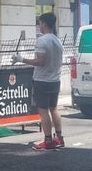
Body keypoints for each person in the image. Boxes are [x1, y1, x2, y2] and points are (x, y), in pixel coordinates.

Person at [11, 12, 64, 150]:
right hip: (55, 79)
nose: (39, 26)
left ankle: (48, 140)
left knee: (43, 111)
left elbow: (40, 61)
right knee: (54, 109)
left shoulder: (42, 40)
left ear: (44, 24)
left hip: (42, 80)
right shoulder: (57, 40)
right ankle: (59, 137)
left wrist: (21, 59)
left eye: (39, 23)